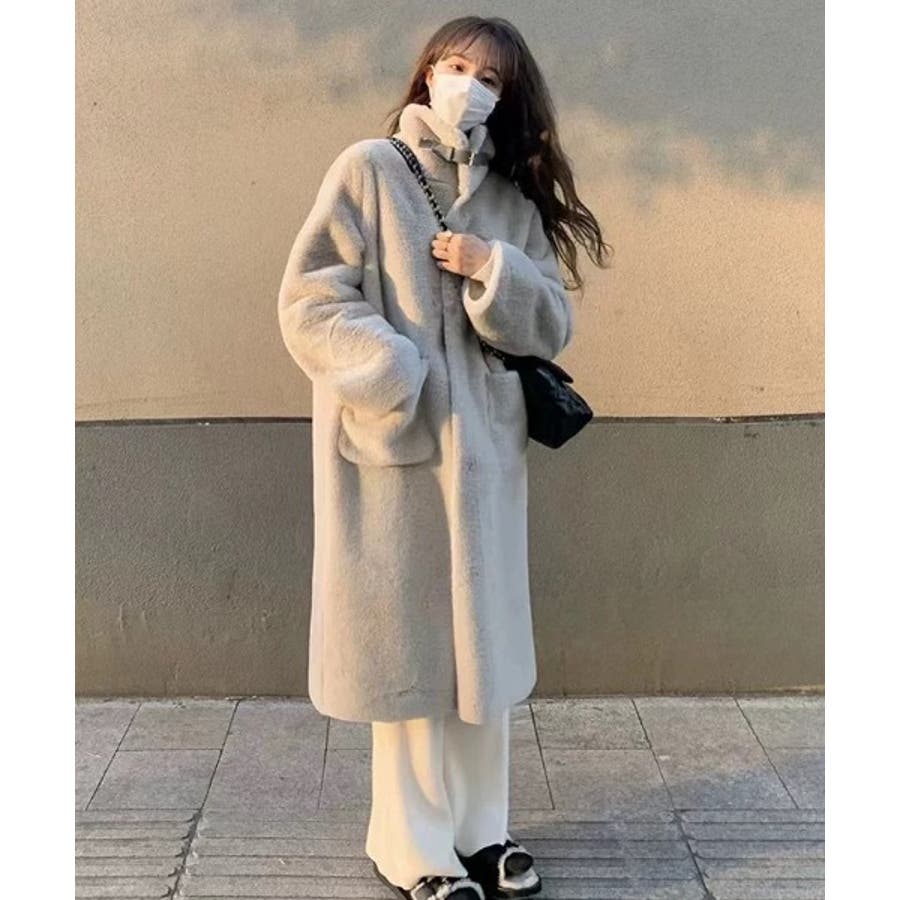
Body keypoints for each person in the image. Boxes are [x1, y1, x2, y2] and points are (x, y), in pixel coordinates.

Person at [277, 15, 611, 900]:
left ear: (507, 97)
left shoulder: (509, 200)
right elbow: (309, 300)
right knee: (413, 667)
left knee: (481, 664)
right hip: (398, 457)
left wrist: (492, 266)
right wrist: (396, 367)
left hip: (487, 462)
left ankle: (481, 831)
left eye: (489, 77)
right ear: (426, 73)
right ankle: (414, 847)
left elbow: (551, 323)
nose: (469, 85)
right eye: (455, 65)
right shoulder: (370, 169)